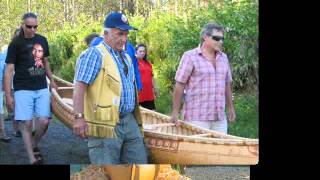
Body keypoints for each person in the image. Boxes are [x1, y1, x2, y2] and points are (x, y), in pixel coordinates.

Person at [73, 12, 147, 164]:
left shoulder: (126, 56)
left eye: (126, 34)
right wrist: (79, 118)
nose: (124, 39)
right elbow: (79, 87)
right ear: (105, 33)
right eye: (120, 34)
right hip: (105, 123)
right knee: (105, 171)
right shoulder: (94, 54)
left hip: (129, 120)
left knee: (138, 166)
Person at [4, 12, 57, 164]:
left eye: (35, 26)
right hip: (22, 88)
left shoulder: (42, 40)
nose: (33, 29)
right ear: (22, 25)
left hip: (41, 87)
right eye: (29, 27)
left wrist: (51, 80)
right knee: (26, 123)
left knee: (44, 122)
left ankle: (33, 143)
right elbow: (9, 70)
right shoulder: (15, 44)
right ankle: (32, 158)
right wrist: (8, 95)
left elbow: (45, 62)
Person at [170, 23, 236, 134]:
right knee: (197, 151)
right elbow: (179, 84)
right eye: (216, 38)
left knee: (219, 150)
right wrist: (175, 112)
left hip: (219, 117)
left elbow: (227, 83)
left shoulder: (223, 57)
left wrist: (230, 107)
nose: (220, 42)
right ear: (205, 36)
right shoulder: (190, 56)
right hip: (196, 117)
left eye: (222, 39)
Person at [135, 44, 159, 110]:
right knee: (140, 117)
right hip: (139, 94)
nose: (142, 53)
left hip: (149, 94)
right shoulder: (133, 63)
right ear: (136, 51)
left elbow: (152, 77)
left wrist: (156, 88)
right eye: (140, 51)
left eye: (144, 51)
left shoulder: (148, 63)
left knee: (152, 114)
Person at [0, 47, 11, 143]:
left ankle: (2, 132)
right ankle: (2, 133)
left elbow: (5, 75)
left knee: (1, 111)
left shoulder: (3, 56)